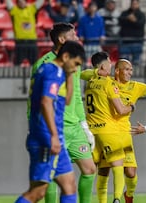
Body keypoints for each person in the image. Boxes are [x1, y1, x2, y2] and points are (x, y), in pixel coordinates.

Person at [81, 59, 146, 203]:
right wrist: (98, 71)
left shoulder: (136, 87)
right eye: (127, 69)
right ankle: (110, 199)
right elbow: (84, 74)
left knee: (130, 172)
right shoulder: (107, 82)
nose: (130, 73)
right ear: (117, 71)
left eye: (131, 70)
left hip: (125, 134)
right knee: (104, 171)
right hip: (109, 133)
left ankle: (129, 194)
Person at [28, 23, 97, 203]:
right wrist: (39, 130)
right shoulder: (44, 65)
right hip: (52, 129)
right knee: (45, 183)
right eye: (73, 35)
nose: (77, 39)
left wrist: (84, 125)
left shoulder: (72, 62)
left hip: (74, 128)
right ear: (62, 39)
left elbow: (74, 97)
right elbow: (39, 101)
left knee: (89, 169)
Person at [15, 40, 86, 203]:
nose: (76, 69)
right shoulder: (52, 71)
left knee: (69, 186)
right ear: (66, 56)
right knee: (37, 192)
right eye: (75, 64)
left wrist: (70, 75)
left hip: (53, 138)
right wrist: (53, 136)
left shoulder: (58, 73)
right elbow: (46, 102)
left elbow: (67, 101)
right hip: (46, 138)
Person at [84, 52, 136, 203]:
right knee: (118, 165)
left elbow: (81, 73)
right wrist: (131, 107)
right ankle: (117, 199)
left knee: (100, 170)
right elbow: (120, 110)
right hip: (107, 131)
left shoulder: (90, 81)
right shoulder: (109, 83)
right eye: (108, 63)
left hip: (91, 131)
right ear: (102, 66)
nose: (111, 65)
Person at [6, 0, 44, 66]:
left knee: (34, 64)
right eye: (20, 2)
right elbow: (8, 3)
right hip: (20, 42)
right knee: (18, 63)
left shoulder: (31, 9)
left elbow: (39, 2)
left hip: (32, 41)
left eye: (23, 1)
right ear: (17, 3)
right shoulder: (14, 10)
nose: (22, 3)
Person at [119, 0, 146, 66]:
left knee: (136, 62)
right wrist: (127, 18)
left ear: (138, 4)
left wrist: (135, 20)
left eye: (135, 4)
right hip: (125, 41)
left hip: (137, 41)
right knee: (124, 63)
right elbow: (120, 21)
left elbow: (141, 24)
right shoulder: (125, 13)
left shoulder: (141, 15)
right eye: (133, 4)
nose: (134, 5)